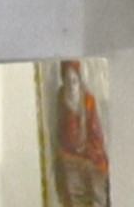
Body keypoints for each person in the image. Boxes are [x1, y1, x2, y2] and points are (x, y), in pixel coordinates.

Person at [54, 61, 109, 207]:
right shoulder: (61, 99)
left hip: (90, 152)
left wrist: (88, 152)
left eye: (74, 81)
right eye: (67, 81)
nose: (71, 86)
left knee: (94, 176)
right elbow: (61, 133)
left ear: (79, 81)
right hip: (71, 155)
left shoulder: (88, 101)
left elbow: (96, 135)